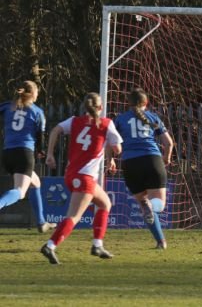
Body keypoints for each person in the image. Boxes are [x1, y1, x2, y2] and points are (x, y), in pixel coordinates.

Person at [40, 92, 123, 264]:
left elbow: (55, 130)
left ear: (85, 107)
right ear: (101, 107)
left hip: (71, 174)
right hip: (85, 177)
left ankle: (97, 244)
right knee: (74, 216)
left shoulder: (74, 121)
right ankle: (50, 245)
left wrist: (50, 154)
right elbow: (117, 148)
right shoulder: (106, 124)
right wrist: (112, 153)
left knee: (105, 203)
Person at [113, 88, 174, 249]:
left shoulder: (120, 119)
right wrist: (166, 158)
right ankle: (159, 238)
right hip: (152, 160)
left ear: (128, 103)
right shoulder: (153, 117)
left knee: (144, 204)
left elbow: (111, 141)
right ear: (146, 103)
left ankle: (161, 241)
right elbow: (168, 143)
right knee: (158, 206)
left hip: (130, 163)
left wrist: (110, 160)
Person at [0, 80, 56, 233]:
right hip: (24, 154)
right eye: (37, 91)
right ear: (33, 93)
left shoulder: (8, 106)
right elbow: (40, 135)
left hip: (7, 153)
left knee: (35, 182)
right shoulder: (37, 111)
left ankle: (41, 222)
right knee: (20, 191)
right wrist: (41, 150)